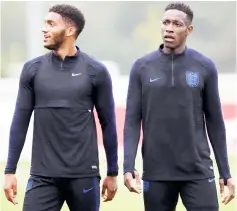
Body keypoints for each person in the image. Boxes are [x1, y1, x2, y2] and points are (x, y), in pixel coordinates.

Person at [3, 4, 118, 211]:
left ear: (70, 31)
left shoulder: (96, 71)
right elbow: (20, 121)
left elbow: (108, 123)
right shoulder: (32, 69)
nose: (44, 29)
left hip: (84, 176)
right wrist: (9, 170)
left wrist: (112, 172)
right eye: (44, 23)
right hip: (42, 176)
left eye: (51, 24)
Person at [123, 2, 235, 211]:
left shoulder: (204, 66)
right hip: (156, 173)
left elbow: (215, 123)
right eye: (165, 22)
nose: (169, 28)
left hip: (198, 171)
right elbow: (131, 121)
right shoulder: (142, 67)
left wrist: (225, 173)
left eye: (176, 23)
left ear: (189, 30)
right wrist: (128, 166)